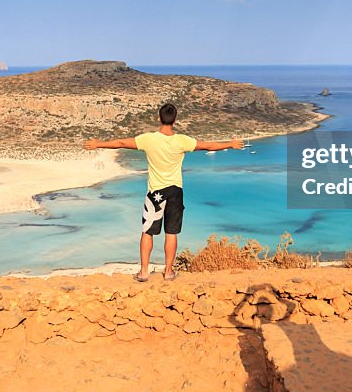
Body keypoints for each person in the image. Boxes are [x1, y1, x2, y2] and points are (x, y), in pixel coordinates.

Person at [83, 103, 243, 282]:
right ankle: (168, 272)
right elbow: (209, 146)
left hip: (155, 193)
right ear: (175, 120)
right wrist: (231, 143)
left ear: (159, 118)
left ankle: (144, 272)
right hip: (175, 191)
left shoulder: (148, 139)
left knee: (147, 232)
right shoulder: (182, 140)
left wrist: (98, 144)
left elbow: (121, 143)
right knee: (171, 233)